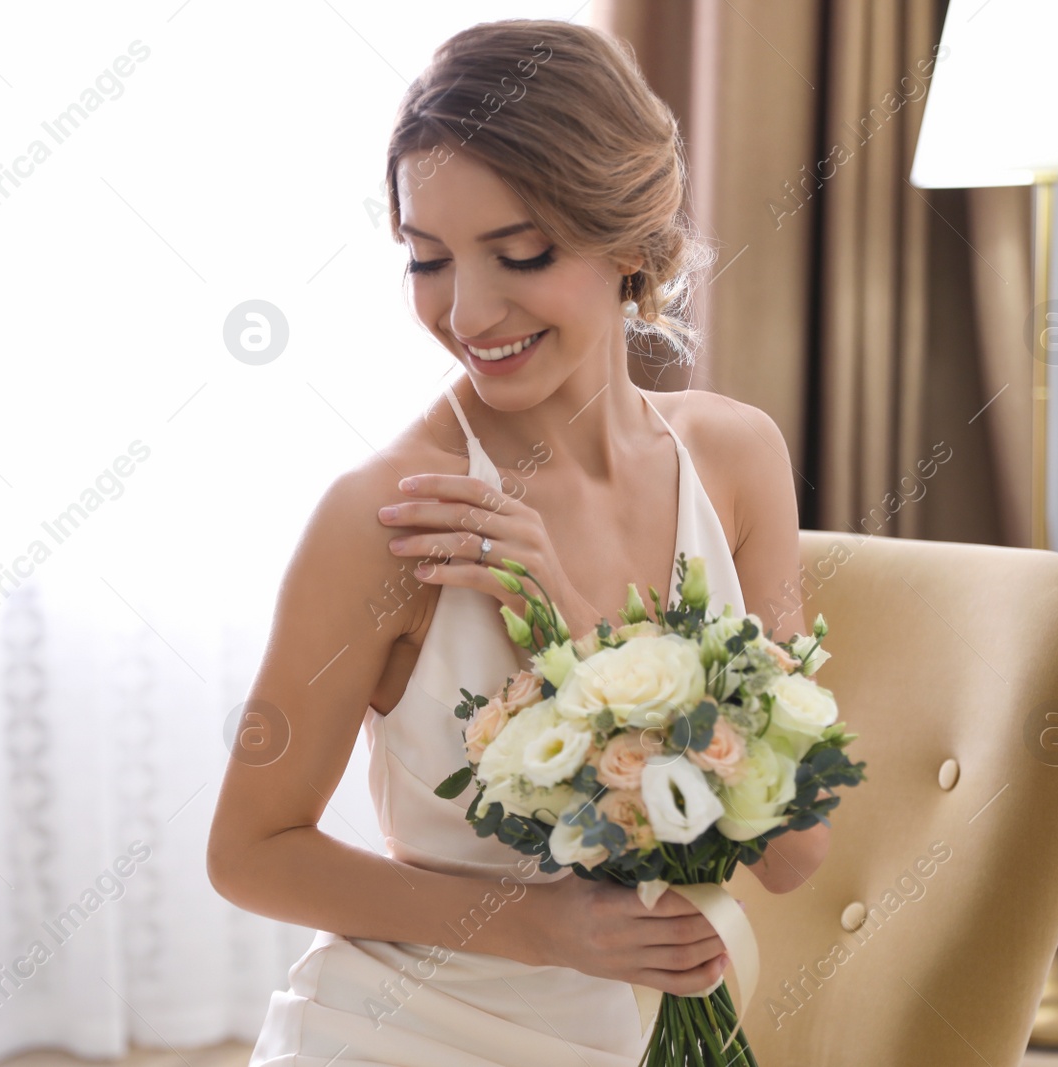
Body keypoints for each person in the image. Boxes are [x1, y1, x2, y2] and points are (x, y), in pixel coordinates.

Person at [207, 18, 830, 1065]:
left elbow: (795, 853)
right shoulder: (391, 517)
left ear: (632, 240)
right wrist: (546, 928)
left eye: (522, 253)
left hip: (630, 1037)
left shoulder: (734, 458)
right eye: (426, 259)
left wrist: (581, 634)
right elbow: (249, 850)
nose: (467, 310)